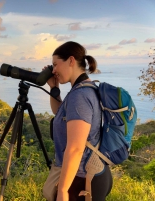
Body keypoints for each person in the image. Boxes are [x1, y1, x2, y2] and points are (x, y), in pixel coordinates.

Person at [44, 41, 113, 201]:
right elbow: (61, 113)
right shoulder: (85, 88)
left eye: (55, 65)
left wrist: (62, 190)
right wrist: (54, 89)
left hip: (82, 179)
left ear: (71, 60)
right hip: (92, 173)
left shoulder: (79, 96)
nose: (53, 70)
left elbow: (75, 148)